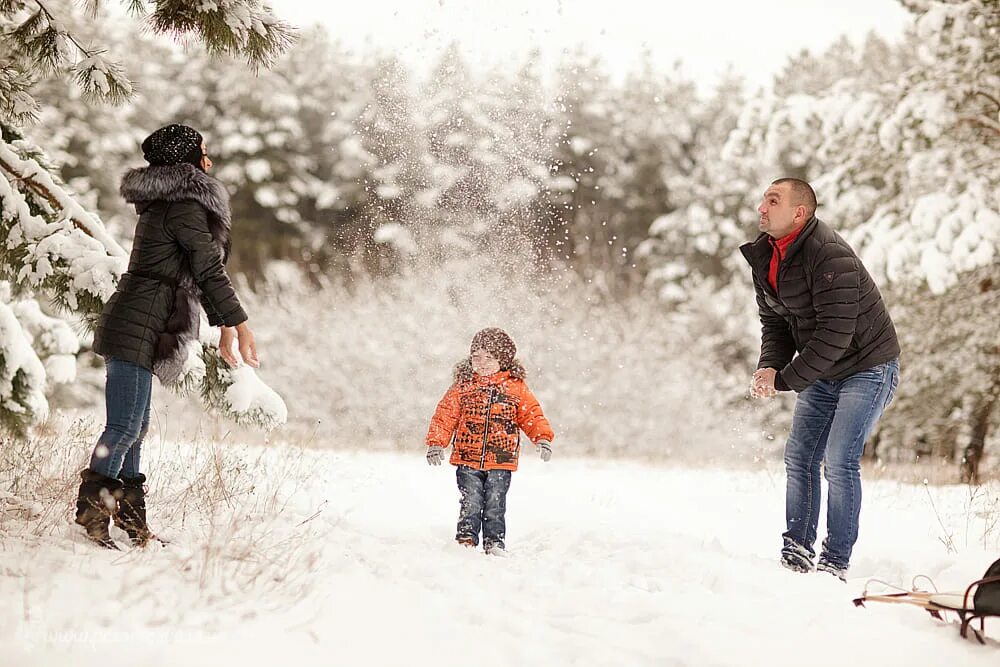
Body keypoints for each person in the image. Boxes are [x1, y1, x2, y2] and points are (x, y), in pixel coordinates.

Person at [75, 123, 259, 549]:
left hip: (146, 322)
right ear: (186, 159)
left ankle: (131, 517)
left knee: (135, 427)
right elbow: (209, 270)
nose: (209, 159)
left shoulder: (171, 205)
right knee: (124, 426)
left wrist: (225, 327)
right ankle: (92, 509)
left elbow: (198, 274)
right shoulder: (182, 208)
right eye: (203, 151)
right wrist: (240, 323)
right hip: (137, 322)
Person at [742, 178, 900, 581]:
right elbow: (775, 322)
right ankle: (796, 551)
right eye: (763, 198)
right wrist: (769, 366)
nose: (761, 207)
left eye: (772, 201)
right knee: (799, 457)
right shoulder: (767, 256)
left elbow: (836, 333)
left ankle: (835, 561)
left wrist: (786, 380)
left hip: (868, 367)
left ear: (800, 213)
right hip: (824, 369)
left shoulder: (829, 255)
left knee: (839, 460)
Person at [425, 328, 554, 556]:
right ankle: (465, 539)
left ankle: (494, 543)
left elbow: (531, 414)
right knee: (471, 501)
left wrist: (542, 438)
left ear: (503, 361)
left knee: (495, 504)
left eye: (489, 358)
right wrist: (436, 442)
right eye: (476, 357)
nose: (481, 363)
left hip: (501, 459)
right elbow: (445, 415)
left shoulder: (516, 388)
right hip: (467, 457)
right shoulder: (463, 386)